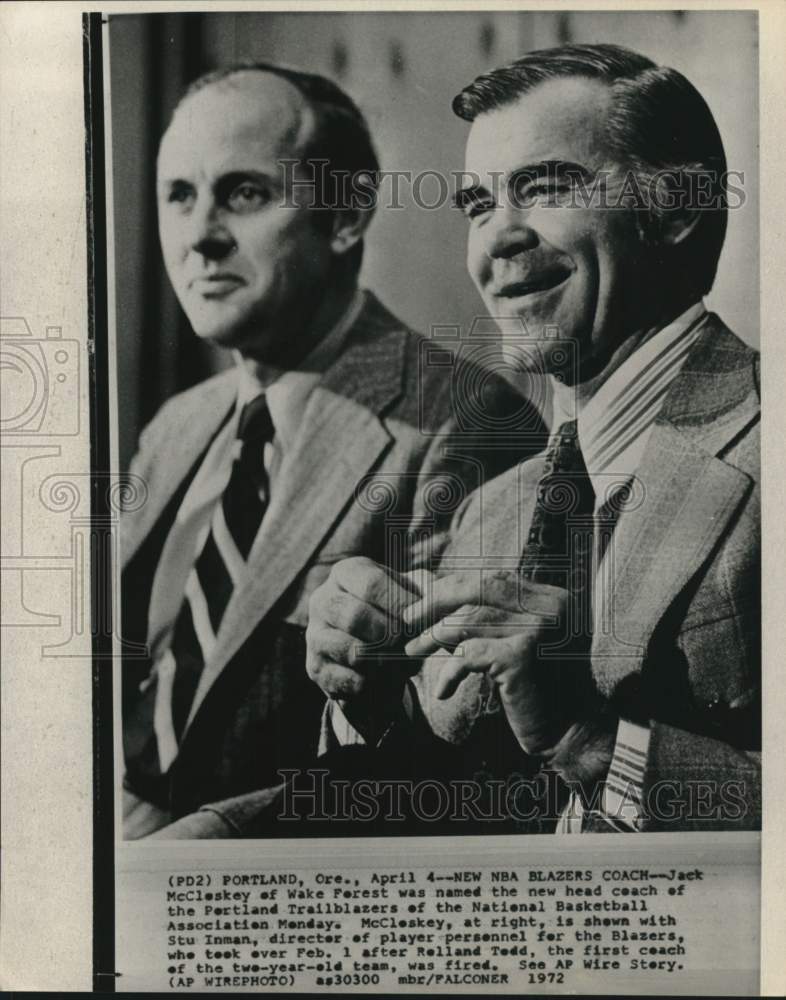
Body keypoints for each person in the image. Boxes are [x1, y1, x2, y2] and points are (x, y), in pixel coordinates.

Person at [305, 43, 761, 835]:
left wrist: (588, 741)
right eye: (479, 206)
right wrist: (371, 699)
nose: (497, 241)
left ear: (680, 209)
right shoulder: (493, 508)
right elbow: (459, 805)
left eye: (544, 188)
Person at [120, 62, 544, 838]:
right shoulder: (177, 426)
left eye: (244, 193)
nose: (201, 235)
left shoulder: (468, 422)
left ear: (345, 216)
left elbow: (449, 760)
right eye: (178, 195)